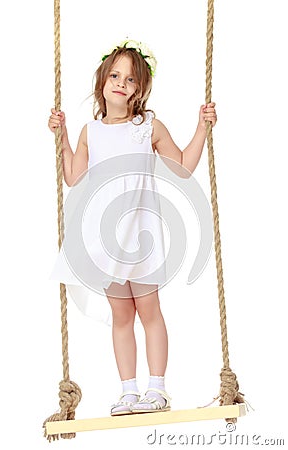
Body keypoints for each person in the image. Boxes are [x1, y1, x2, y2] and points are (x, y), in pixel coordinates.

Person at [48, 40, 217, 416]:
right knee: (121, 316)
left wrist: (202, 128)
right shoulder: (90, 132)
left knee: (149, 309)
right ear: (102, 82)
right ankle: (128, 391)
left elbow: (183, 167)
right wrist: (62, 138)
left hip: (141, 235)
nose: (122, 83)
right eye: (115, 75)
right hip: (106, 237)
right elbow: (74, 176)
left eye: (131, 79)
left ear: (140, 89)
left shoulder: (148, 127)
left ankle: (157, 389)